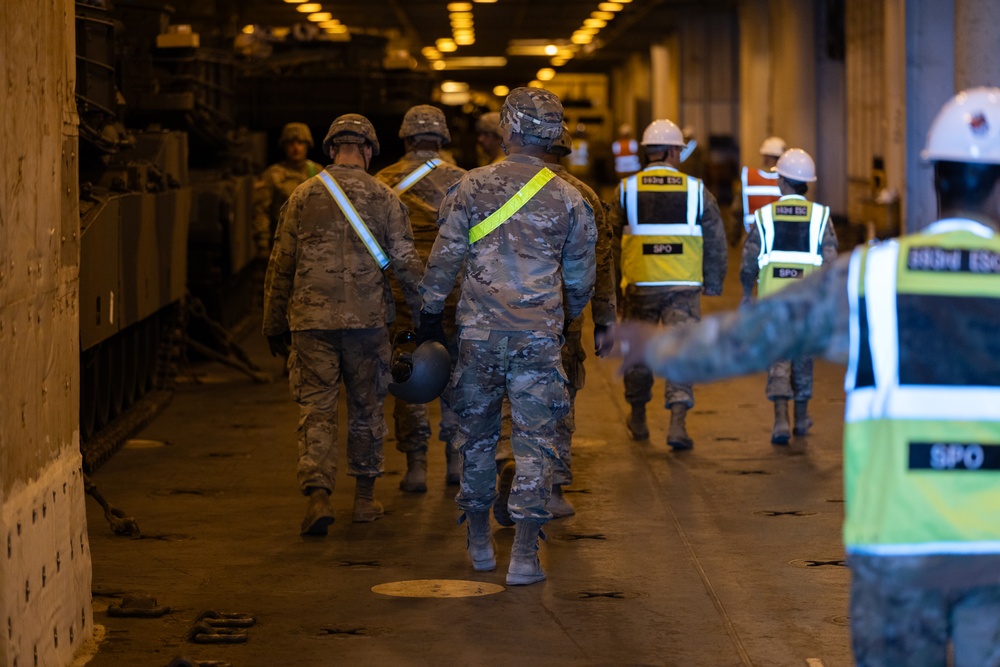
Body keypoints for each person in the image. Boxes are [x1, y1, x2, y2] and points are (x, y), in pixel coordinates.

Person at [618, 86, 1000, 666]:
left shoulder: (872, 276)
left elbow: (755, 337)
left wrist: (660, 347)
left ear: (935, 180)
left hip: (897, 552)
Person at [417, 87, 597, 585]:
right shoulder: (570, 198)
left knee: (475, 438)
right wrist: (563, 321)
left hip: (478, 338)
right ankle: (523, 556)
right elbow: (581, 279)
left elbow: (444, 259)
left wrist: (430, 316)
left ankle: (478, 540)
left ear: (508, 128)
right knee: (536, 444)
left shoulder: (471, 188)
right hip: (538, 340)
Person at [262, 114, 424, 535]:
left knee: (315, 407)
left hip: (310, 322)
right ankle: (365, 500)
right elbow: (406, 265)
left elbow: (281, 263)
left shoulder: (301, 195)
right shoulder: (385, 197)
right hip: (367, 322)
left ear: (331, 150)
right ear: (368, 151)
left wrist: (273, 322)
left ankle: (318, 494)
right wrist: (426, 318)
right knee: (368, 407)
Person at [611, 118, 727, 450]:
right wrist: (714, 282)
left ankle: (638, 415)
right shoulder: (696, 190)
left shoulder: (626, 190)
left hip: (639, 286)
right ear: (674, 151)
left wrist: (613, 292)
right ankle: (677, 424)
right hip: (683, 287)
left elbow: (609, 243)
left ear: (648, 152)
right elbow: (716, 239)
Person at [375, 105, 467, 492]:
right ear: (443, 138)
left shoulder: (382, 182)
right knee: (458, 375)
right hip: (454, 295)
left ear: (407, 137)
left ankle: (415, 467)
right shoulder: (465, 180)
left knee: (407, 372)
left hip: (403, 299)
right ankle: (456, 461)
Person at [539, 124, 616, 517]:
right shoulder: (582, 194)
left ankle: (507, 468)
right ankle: (551, 490)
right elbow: (601, 263)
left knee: (504, 399)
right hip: (561, 323)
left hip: (496, 318)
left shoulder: (487, 183)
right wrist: (605, 320)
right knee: (559, 400)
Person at [740, 148, 838, 444]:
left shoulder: (765, 216)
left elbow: (749, 259)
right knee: (803, 360)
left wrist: (747, 290)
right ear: (807, 182)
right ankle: (802, 418)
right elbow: (832, 262)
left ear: (782, 181)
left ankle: (781, 419)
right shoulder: (821, 216)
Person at [253, 122, 323, 258]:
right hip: (282, 244)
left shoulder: (318, 172)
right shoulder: (273, 174)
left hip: (314, 244)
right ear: (284, 146)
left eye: (300, 143)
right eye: (291, 143)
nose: (296, 148)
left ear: (308, 145)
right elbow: (261, 211)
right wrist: (262, 243)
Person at [731, 136, 786, 246]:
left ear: (765, 156)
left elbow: (737, 210)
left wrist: (734, 237)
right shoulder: (788, 181)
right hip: (782, 239)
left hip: (754, 239)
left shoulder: (750, 178)